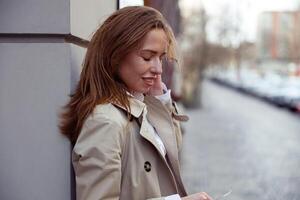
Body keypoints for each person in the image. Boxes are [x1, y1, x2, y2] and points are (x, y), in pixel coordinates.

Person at [59, 6, 213, 200]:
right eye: (147, 57)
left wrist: (159, 101)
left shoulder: (138, 103)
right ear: (115, 55)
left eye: (160, 57)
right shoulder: (105, 122)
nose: (158, 68)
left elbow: (171, 150)